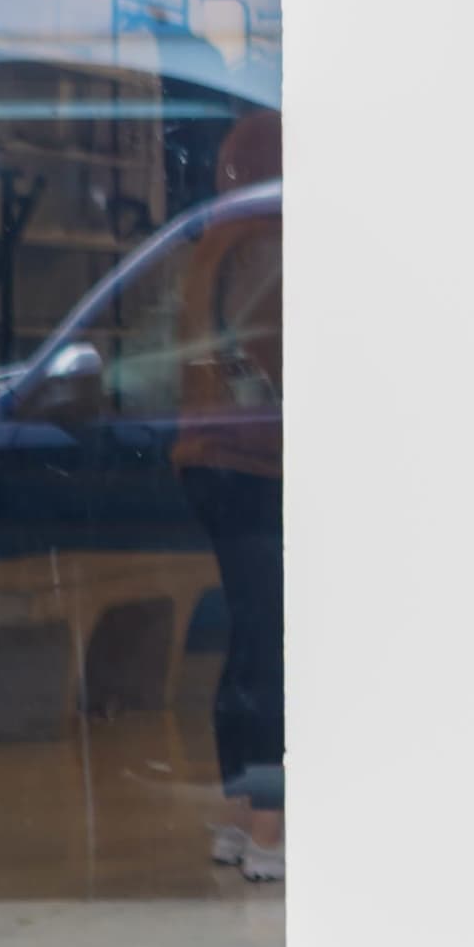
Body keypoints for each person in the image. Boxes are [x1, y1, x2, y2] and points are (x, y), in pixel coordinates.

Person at [175, 112, 284, 880]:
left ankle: (240, 811)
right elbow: (275, 346)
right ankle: (270, 821)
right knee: (273, 636)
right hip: (261, 460)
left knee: (250, 633)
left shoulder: (213, 238)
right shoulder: (266, 239)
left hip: (215, 458)